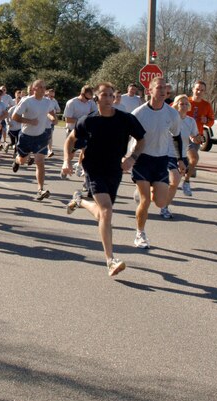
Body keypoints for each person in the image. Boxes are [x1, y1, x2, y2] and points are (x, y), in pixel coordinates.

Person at [62, 82, 146, 276]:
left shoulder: (126, 119)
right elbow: (70, 140)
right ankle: (110, 260)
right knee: (107, 210)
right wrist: (67, 161)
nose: (108, 98)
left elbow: (142, 140)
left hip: (114, 170)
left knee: (102, 215)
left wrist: (132, 158)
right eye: (104, 95)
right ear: (96, 98)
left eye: (111, 95)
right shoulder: (88, 121)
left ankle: (79, 200)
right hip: (93, 168)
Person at [130, 77, 182, 249]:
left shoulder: (172, 113)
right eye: (158, 88)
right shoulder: (139, 113)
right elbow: (126, 137)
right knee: (145, 201)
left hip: (161, 160)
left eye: (164, 89)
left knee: (160, 203)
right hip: (142, 159)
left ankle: (146, 190)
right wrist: (127, 157)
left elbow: (176, 136)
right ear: (149, 91)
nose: (162, 92)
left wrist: (180, 158)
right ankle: (140, 234)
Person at [11, 79, 57, 201]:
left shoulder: (48, 102)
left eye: (44, 87)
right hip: (26, 136)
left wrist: (53, 118)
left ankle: (40, 189)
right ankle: (17, 160)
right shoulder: (27, 101)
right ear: (34, 89)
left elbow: (50, 112)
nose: (43, 89)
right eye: (40, 87)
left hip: (41, 136)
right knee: (22, 160)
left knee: (40, 162)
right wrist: (30, 121)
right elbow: (15, 116)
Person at [159, 94, 199, 219]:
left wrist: (197, 138)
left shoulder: (191, 121)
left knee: (173, 184)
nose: (184, 106)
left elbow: (194, 136)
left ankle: (164, 207)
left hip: (182, 156)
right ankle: (160, 203)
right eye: (181, 103)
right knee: (175, 180)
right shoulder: (170, 119)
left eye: (186, 104)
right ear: (175, 105)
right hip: (167, 154)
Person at [185, 80, 214, 196]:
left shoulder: (206, 105)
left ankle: (186, 181)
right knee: (190, 159)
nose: (199, 92)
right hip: (182, 135)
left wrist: (206, 121)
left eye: (202, 90)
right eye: (197, 89)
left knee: (192, 160)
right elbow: (171, 111)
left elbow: (211, 122)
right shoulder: (185, 101)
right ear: (193, 89)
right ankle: (179, 180)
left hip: (196, 136)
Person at [63, 85, 97, 175]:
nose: (92, 96)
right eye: (90, 94)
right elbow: (68, 119)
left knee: (86, 150)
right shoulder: (72, 102)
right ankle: (66, 167)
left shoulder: (91, 103)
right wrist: (82, 121)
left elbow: (95, 115)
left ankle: (81, 167)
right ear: (84, 93)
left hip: (86, 131)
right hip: (72, 131)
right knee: (71, 154)